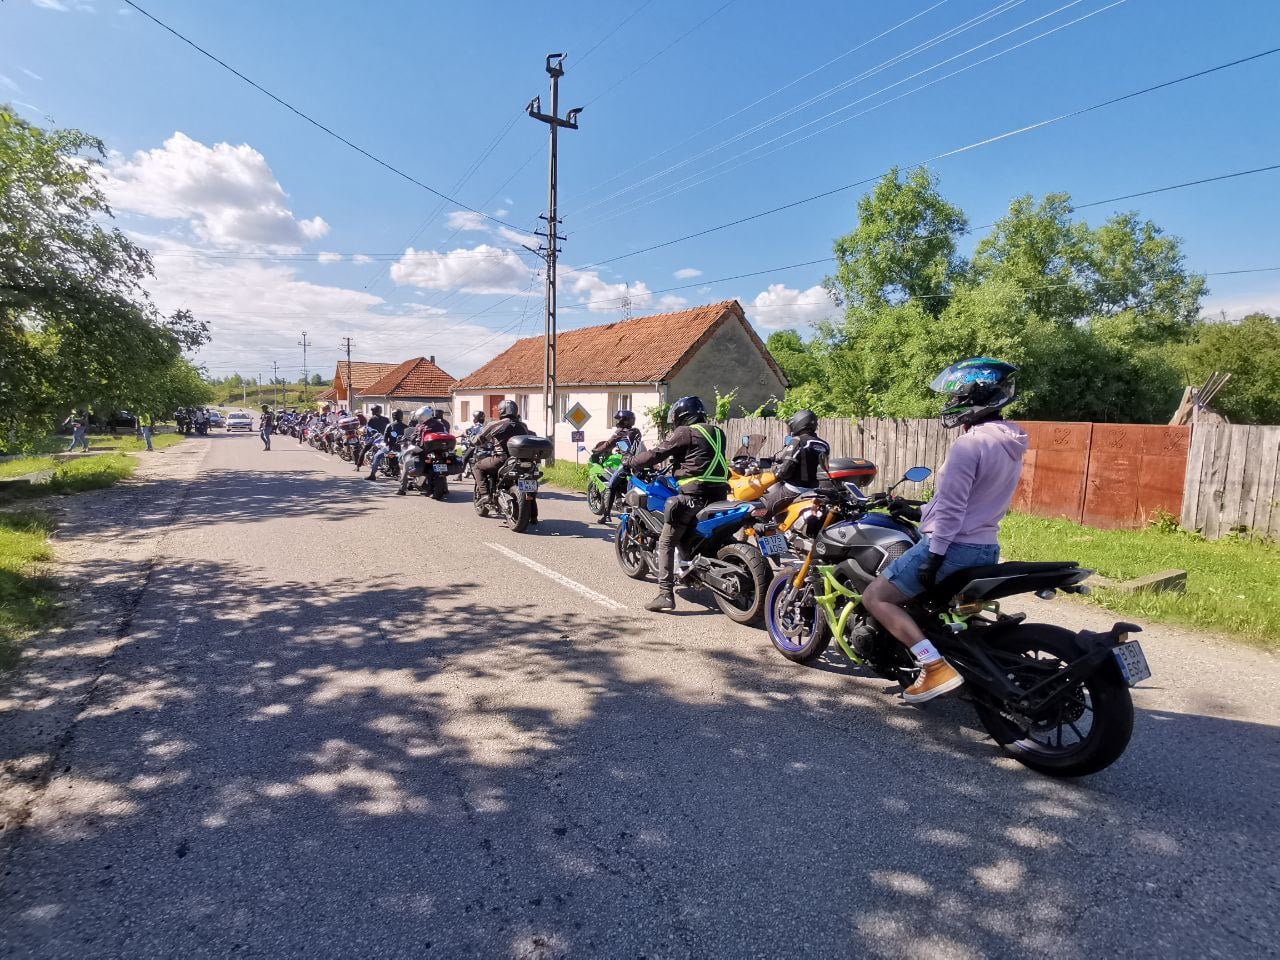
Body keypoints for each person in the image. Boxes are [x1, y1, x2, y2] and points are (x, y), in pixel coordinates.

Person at [862, 358, 1026, 704]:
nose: (951, 403)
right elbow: (973, 502)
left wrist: (934, 555)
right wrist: (918, 511)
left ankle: (933, 666)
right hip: (985, 547)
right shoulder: (1009, 443)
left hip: (952, 547)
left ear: (974, 396)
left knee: (875, 597)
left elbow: (953, 510)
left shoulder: (969, 445)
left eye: (956, 396)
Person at [628, 396, 730, 612]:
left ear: (682, 416)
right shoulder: (718, 433)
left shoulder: (685, 432)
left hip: (693, 496)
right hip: (719, 496)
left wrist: (631, 461)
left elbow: (656, 454)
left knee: (666, 541)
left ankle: (665, 594)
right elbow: (701, 458)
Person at [757, 409, 829, 516]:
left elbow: (786, 470)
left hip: (795, 490)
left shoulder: (798, 441)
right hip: (815, 489)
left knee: (761, 512)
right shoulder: (824, 444)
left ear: (799, 423)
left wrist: (776, 474)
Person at [471, 399, 532, 512]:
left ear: (501, 411)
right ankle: (533, 515)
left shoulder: (495, 424)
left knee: (477, 467)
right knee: (529, 484)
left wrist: (472, 438)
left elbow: (478, 440)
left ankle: (485, 495)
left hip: (501, 460)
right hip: (519, 460)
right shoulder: (523, 426)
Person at [591, 409, 644, 524]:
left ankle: (606, 515)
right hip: (640, 462)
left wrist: (596, 450)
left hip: (627, 464)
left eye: (618, 420)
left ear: (623, 420)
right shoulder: (636, 432)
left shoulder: (620, 432)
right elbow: (629, 446)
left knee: (610, 486)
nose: (617, 422)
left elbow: (607, 445)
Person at [369, 409, 408, 481]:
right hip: (402, 449)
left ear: (393, 416)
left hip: (390, 448)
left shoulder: (389, 425)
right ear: (401, 416)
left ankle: (372, 475)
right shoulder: (406, 426)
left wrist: (387, 445)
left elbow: (385, 439)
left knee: (377, 456)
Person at [357, 405, 390, 470]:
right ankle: (359, 465)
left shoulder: (376, 419)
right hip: (380, 437)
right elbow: (369, 428)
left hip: (378, 437)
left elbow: (368, 428)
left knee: (364, 450)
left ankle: (358, 465)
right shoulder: (383, 419)